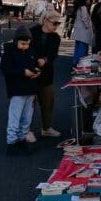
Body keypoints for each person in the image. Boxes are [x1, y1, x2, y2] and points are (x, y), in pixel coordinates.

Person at [0, 25, 40, 154]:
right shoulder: (9, 52)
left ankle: (22, 140)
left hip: (30, 90)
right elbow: (6, 69)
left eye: (27, 44)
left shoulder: (30, 51)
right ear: (16, 41)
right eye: (22, 44)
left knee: (27, 117)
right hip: (17, 90)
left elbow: (32, 65)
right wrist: (23, 72)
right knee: (15, 117)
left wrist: (36, 70)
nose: (25, 47)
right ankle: (11, 143)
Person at [30, 10, 63, 139]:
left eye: (58, 23)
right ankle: (27, 130)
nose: (56, 26)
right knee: (29, 103)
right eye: (54, 23)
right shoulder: (33, 32)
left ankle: (46, 127)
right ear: (45, 21)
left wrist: (45, 60)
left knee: (48, 101)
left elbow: (53, 54)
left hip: (46, 72)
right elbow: (27, 47)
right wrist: (35, 60)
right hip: (31, 71)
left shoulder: (56, 37)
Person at [71, 0, 93, 66]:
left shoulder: (79, 7)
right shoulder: (83, 8)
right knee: (83, 48)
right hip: (83, 31)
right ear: (85, 0)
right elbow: (84, 19)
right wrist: (87, 26)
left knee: (78, 47)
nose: (89, 1)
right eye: (88, 0)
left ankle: (76, 61)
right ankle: (81, 63)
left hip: (79, 31)